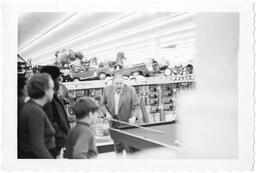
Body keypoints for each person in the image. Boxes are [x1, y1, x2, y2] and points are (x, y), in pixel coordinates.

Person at [18, 73, 55, 158]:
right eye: (52, 88)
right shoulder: (34, 111)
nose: (53, 91)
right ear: (45, 90)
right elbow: (38, 147)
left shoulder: (32, 107)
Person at [100, 73, 140, 153]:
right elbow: (101, 104)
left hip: (127, 122)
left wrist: (134, 117)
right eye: (117, 84)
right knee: (118, 147)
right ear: (112, 83)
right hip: (114, 122)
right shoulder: (107, 89)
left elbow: (136, 106)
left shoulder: (131, 90)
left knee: (129, 147)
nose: (119, 86)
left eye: (121, 83)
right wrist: (106, 113)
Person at [40, 66, 70, 158]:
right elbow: (50, 122)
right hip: (53, 146)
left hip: (58, 144)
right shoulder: (46, 99)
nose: (59, 82)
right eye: (58, 79)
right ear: (51, 80)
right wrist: (62, 137)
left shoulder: (54, 96)